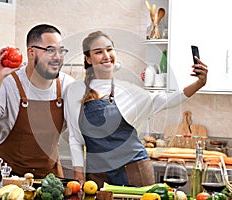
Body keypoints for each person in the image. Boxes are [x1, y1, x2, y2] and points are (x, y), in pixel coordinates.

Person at [64, 31, 208, 188]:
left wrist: (199, 84)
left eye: (109, 49)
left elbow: (166, 100)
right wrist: (78, 172)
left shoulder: (127, 90)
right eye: (98, 52)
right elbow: (75, 138)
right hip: (98, 175)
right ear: (88, 59)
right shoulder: (75, 90)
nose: (106, 55)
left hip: (135, 169)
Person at [0, 24, 74, 178]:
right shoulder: (9, 83)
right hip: (6, 180)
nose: (58, 57)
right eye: (50, 50)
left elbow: (79, 132)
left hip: (49, 179)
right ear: (31, 52)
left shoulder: (67, 85)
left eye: (61, 51)